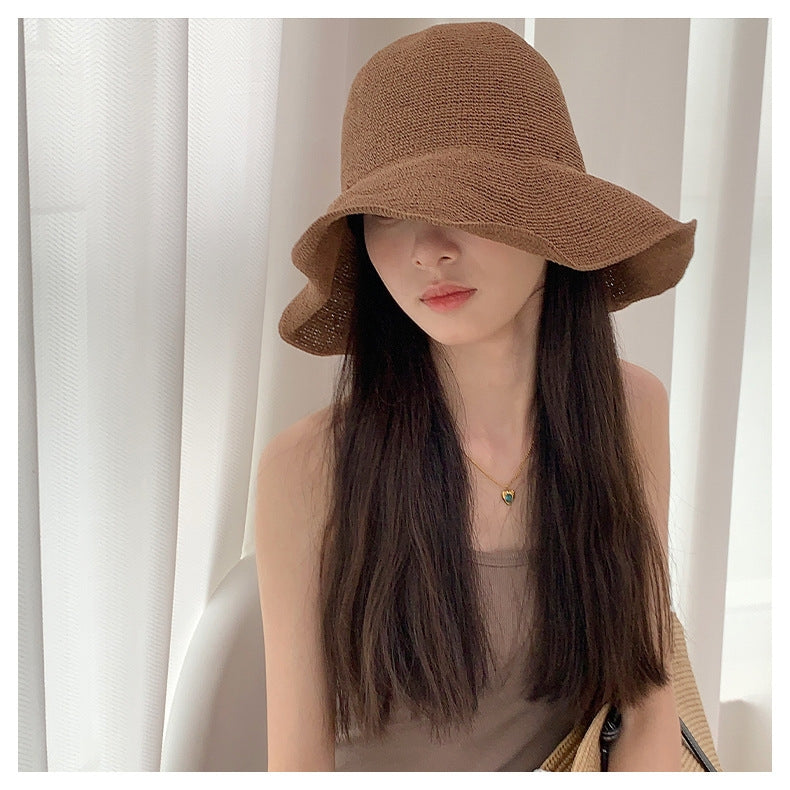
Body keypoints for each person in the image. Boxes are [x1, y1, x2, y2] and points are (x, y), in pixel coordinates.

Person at [255, 21, 696, 771]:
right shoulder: (309, 466)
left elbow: (649, 704)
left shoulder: (629, 411)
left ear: (549, 215)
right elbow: (297, 765)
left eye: (469, 201)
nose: (429, 248)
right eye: (388, 214)